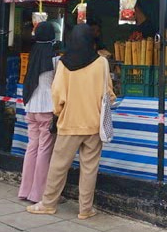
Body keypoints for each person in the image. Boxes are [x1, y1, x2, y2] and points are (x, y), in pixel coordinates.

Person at [26, 24, 115, 220]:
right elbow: (108, 93)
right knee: (90, 168)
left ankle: (48, 204)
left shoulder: (64, 64)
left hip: (69, 124)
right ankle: (85, 209)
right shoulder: (101, 62)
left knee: (58, 166)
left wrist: (59, 113)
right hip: (93, 124)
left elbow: (57, 96)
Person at [18, 21, 58, 203]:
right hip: (47, 108)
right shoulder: (55, 60)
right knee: (44, 149)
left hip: (31, 106)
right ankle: (38, 193)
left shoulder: (33, 55)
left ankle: (25, 190)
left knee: (32, 147)